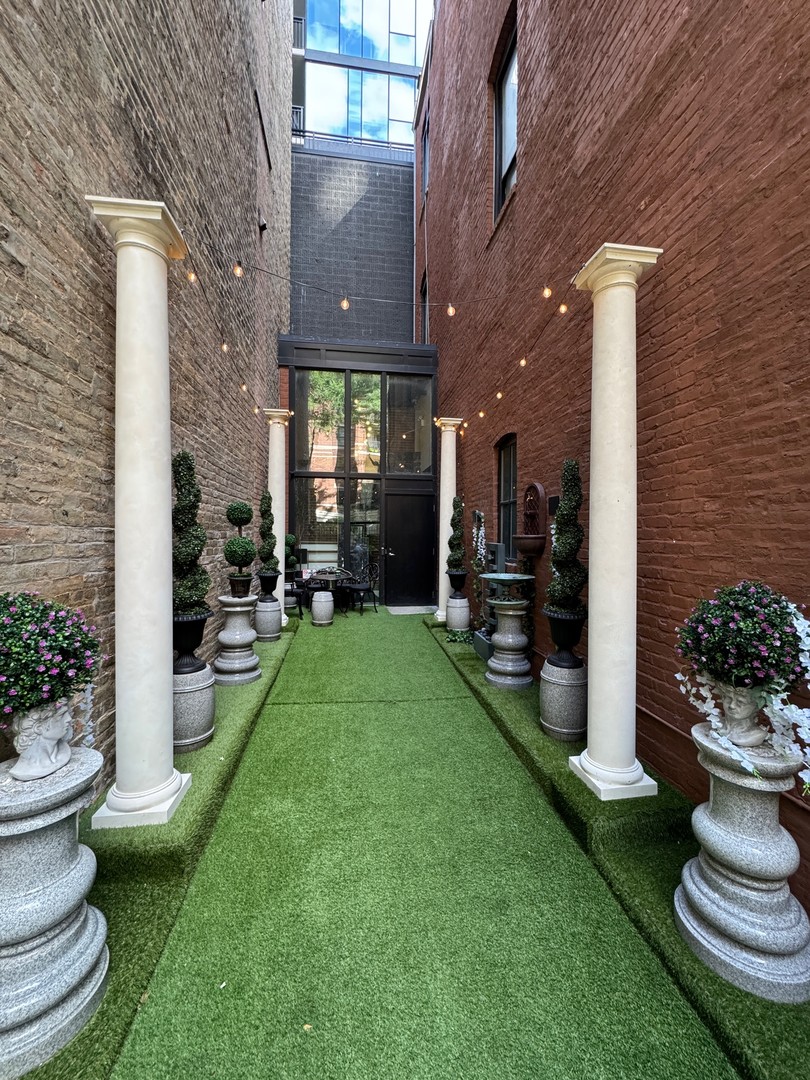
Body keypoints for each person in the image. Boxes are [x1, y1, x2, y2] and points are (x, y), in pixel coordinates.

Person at [10, 701, 73, 781]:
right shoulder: (24, 770)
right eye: (61, 715)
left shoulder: (63, 752)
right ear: (39, 728)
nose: (69, 719)